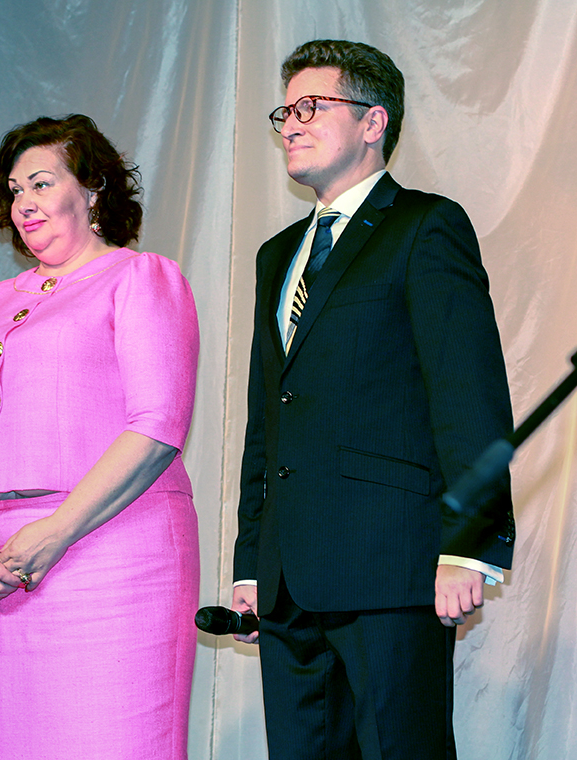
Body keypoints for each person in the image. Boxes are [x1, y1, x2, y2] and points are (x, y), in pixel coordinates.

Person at [231, 41, 515, 759]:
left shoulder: (424, 226)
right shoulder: (276, 256)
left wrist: (469, 547)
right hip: (288, 578)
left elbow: (468, 393)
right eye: (284, 112)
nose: (290, 124)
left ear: (373, 121)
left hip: (393, 567)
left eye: (311, 107)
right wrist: (250, 561)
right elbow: (270, 417)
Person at [0, 114, 200, 759]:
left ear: (94, 190)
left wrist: (54, 532)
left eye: (42, 183)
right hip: (0, 568)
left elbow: (158, 427)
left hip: (114, 562)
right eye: (14, 188)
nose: (23, 202)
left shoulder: (140, 278)